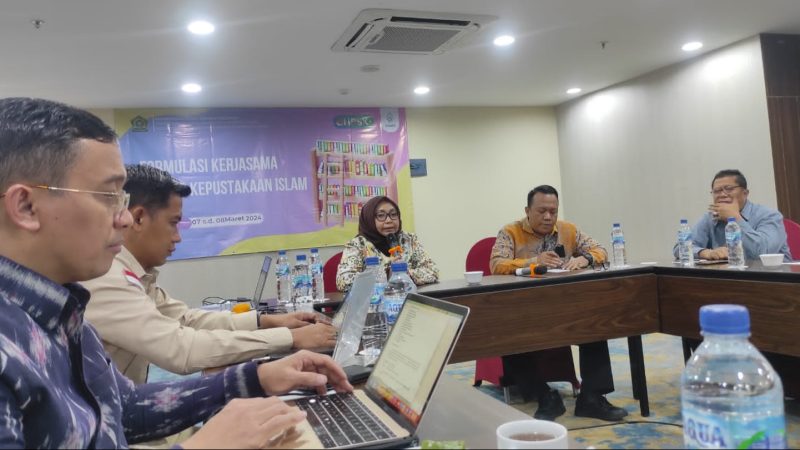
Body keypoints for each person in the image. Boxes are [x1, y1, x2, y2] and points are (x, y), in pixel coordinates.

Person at [0, 97, 352, 448]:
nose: (122, 219)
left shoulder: (63, 312)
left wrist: (255, 377)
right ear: (27, 207)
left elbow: (123, 409)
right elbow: (179, 349)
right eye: (108, 196)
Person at [82, 164, 337, 385]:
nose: (178, 237)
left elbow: (186, 319)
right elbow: (183, 350)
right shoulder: (107, 278)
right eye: (173, 223)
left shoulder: (136, 275)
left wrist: (266, 321)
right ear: (138, 218)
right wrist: (290, 337)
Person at [490, 185, 628, 421]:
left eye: (553, 211)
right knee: (507, 336)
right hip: (526, 309)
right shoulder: (510, 232)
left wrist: (583, 259)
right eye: (542, 211)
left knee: (596, 327)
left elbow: (601, 250)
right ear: (527, 210)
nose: (548, 217)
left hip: (566, 307)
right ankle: (545, 396)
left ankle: (591, 398)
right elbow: (497, 264)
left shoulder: (569, 230)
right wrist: (534, 261)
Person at [674, 169, 791, 261]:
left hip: (775, 282)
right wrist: (706, 253)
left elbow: (762, 253)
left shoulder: (769, 216)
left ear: (745, 193)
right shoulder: (710, 218)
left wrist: (735, 218)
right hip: (731, 280)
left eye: (728, 189)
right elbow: (679, 248)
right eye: (716, 191)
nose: (722, 194)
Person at [336, 195, 439, 291]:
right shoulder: (358, 245)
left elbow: (432, 271)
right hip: (373, 305)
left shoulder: (409, 240)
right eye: (381, 215)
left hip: (407, 301)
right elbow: (345, 281)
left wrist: (406, 274)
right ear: (369, 219)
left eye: (393, 214)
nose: (389, 220)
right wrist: (387, 272)